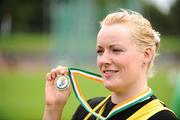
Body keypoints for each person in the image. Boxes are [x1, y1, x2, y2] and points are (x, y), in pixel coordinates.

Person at [43, 9, 178, 120]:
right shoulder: (88, 110)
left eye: (116, 50)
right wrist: (53, 108)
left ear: (147, 54)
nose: (103, 60)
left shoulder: (162, 118)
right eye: (100, 51)